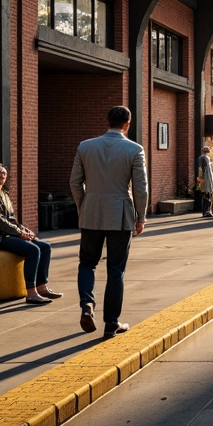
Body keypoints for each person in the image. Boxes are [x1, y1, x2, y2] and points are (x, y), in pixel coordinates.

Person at [69, 105, 148, 339]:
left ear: (108, 121)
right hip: (120, 214)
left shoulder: (85, 146)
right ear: (127, 124)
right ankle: (111, 323)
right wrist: (141, 216)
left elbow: (75, 182)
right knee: (116, 269)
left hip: (91, 212)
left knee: (87, 263)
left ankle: (87, 304)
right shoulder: (134, 149)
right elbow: (141, 188)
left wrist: (84, 205)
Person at [0, 161, 61, 305]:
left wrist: (24, 230)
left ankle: (42, 287)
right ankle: (31, 293)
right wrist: (19, 233)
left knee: (45, 246)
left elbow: (11, 219)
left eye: (4, 173)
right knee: (33, 250)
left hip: (4, 234)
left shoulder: (3, 193)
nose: (3, 175)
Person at [196, 145, 213, 218]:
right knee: (207, 195)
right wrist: (201, 178)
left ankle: (207, 211)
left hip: (208, 179)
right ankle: (207, 211)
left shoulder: (206, 159)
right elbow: (202, 169)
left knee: (208, 195)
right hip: (206, 180)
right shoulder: (204, 158)